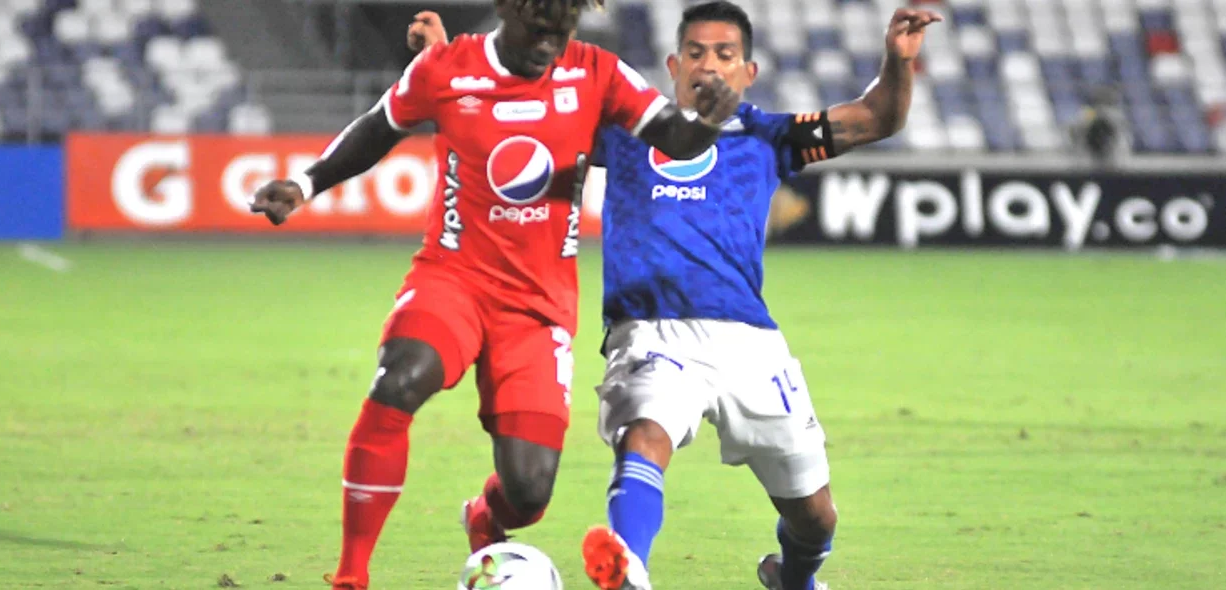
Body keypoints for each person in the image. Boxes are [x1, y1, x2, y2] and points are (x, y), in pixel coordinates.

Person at [418, 2, 938, 589]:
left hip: (750, 341)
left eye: (724, 54)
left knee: (815, 517)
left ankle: (794, 576)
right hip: (649, 328)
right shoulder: (625, 131)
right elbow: (519, 105)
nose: (708, 66)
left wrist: (897, 62)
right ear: (672, 64)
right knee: (646, 431)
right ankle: (629, 567)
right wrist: (446, 63)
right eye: (695, 53)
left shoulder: (768, 137)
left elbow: (877, 118)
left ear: (749, 72)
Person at [247, 1, 740, 589]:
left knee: (529, 492)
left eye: (561, 34)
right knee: (399, 379)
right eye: (538, 32)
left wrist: (706, 118)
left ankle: (484, 518)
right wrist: (304, 184)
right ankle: (351, 575)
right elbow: (380, 125)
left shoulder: (597, 71)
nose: (549, 47)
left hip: (538, 307)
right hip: (452, 277)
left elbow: (674, 138)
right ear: (506, 10)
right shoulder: (447, 69)